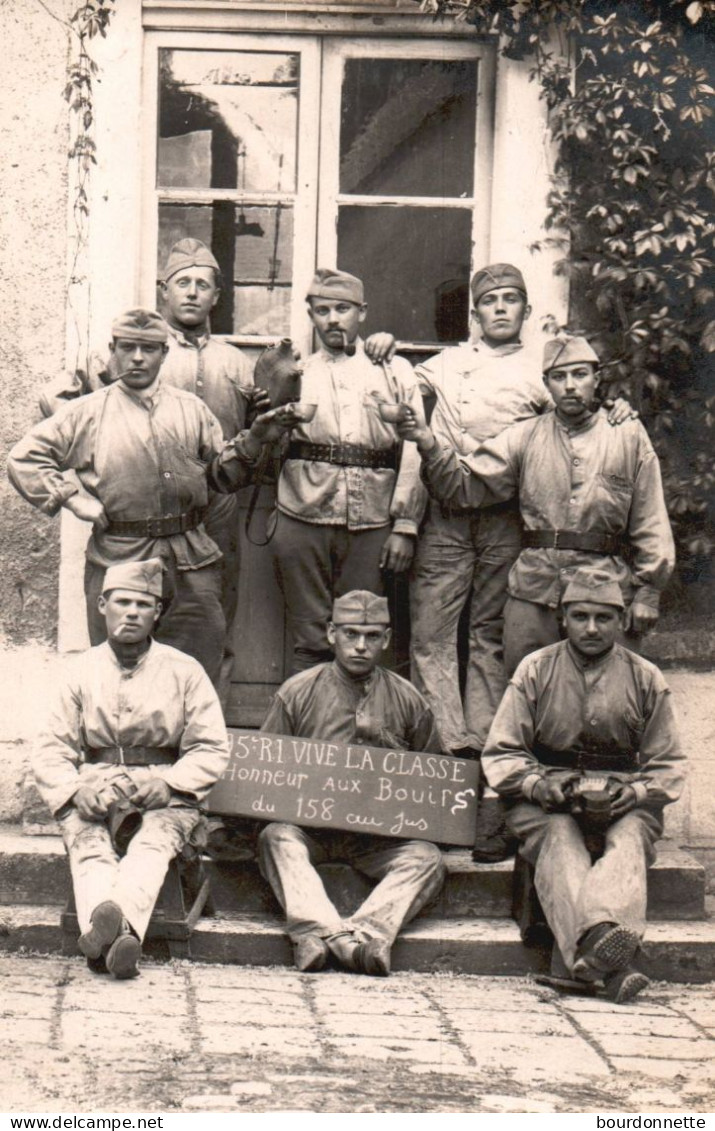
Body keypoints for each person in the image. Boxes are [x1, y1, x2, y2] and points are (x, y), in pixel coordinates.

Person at [7, 308, 293, 687]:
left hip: (191, 562)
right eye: (128, 347)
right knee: (118, 675)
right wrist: (74, 500)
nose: (138, 357)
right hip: (121, 556)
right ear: (113, 350)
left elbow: (222, 476)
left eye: (149, 348)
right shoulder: (87, 412)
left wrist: (255, 438)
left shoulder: (191, 409)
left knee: (194, 674)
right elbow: (24, 458)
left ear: (164, 353)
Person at [38, 239, 257, 703]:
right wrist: (82, 482)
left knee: (211, 619)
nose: (192, 293)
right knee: (133, 619)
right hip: (137, 516)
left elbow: (252, 440)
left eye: (203, 284)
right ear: (164, 290)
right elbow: (58, 405)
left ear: (217, 295)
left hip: (213, 509)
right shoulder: (136, 350)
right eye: (183, 283)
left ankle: (205, 724)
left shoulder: (237, 362)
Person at [397, 333, 675, 678]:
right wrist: (427, 441)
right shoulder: (524, 436)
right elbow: (464, 485)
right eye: (559, 377)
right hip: (535, 589)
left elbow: (651, 517)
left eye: (579, 375)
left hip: (603, 590)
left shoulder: (627, 434)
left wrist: (649, 591)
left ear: (597, 379)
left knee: (610, 696)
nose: (570, 386)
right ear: (546, 384)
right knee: (527, 689)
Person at [480, 567, 686, 1002]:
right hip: (547, 797)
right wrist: (539, 786)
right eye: (580, 616)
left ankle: (587, 956)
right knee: (558, 835)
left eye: (603, 618)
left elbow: (668, 765)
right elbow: (501, 753)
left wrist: (634, 793)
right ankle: (608, 955)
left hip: (622, 795)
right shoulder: (535, 670)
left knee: (630, 836)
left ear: (621, 618)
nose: (591, 628)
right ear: (563, 618)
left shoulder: (645, 676)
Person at [31, 559, 230, 980]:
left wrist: (171, 782)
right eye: (123, 602)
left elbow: (210, 748)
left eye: (144, 604)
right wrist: (73, 789)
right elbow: (50, 748)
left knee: (151, 846)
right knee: (88, 846)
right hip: (94, 782)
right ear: (103, 605)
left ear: (157, 612)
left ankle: (106, 933)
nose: (132, 612)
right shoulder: (78, 670)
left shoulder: (184, 670)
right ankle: (121, 937)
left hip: (162, 787)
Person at [257, 590, 445, 976]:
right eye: (350, 634)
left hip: (377, 839)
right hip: (312, 828)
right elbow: (264, 771)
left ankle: (363, 934)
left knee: (427, 858)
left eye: (372, 636)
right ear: (331, 634)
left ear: (387, 640)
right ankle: (322, 930)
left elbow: (436, 780)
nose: (361, 646)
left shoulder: (408, 698)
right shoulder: (298, 691)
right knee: (275, 837)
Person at [271, 268, 427, 672]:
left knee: (363, 629)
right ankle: (308, 731)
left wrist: (405, 525)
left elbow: (415, 447)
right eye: (322, 310)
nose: (333, 319)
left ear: (362, 312)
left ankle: (356, 731)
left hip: (372, 518)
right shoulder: (298, 373)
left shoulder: (394, 370)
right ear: (311, 315)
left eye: (343, 309)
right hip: (302, 513)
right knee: (309, 635)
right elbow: (268, 440)